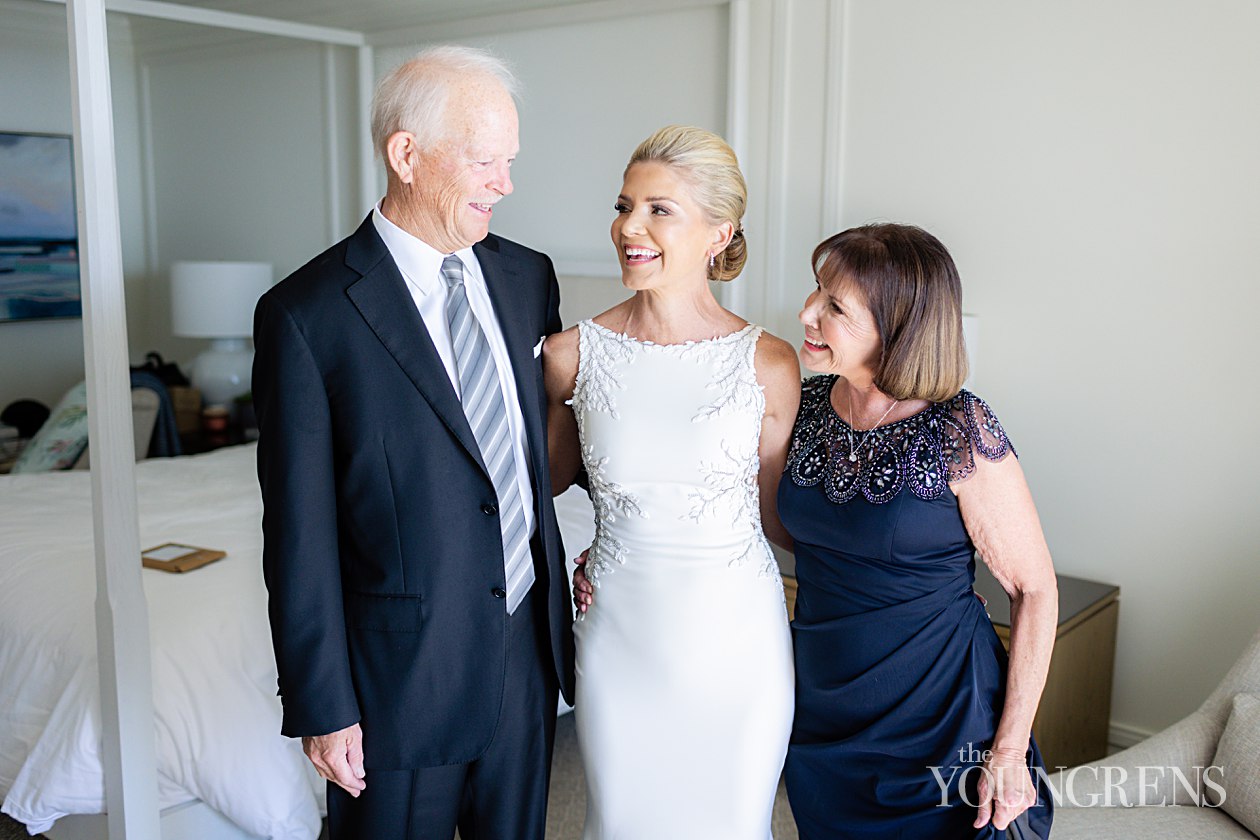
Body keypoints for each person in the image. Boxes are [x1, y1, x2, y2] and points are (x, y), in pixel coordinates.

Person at [253, 46, 574, 840]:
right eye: (485, 161)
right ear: (406, 154)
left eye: (510, 160)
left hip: (525, 659)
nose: (506, 183)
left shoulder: (528, 277)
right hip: (398, 684)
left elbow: (531, 463)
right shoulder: (306, 315)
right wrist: (323, 707)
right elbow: (299, 533)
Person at [545, 125, 800, 838]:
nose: (630, 227)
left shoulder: (769, 363)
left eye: (660, 210)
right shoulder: (572, 354)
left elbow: (782, 520)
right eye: (626, 205)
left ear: (719, 234)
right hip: (620, 633)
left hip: (737, 640)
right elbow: (539, 488)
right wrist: (574, 556)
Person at [780, 223, 1057, 837]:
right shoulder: (800, 405)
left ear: (898, 328)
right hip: (823, 707)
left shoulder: (960, 429)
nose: (805, 313)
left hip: (939, 718)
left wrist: (1009, 751)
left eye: (834, 306)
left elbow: (1035, 590)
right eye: (815, 292)